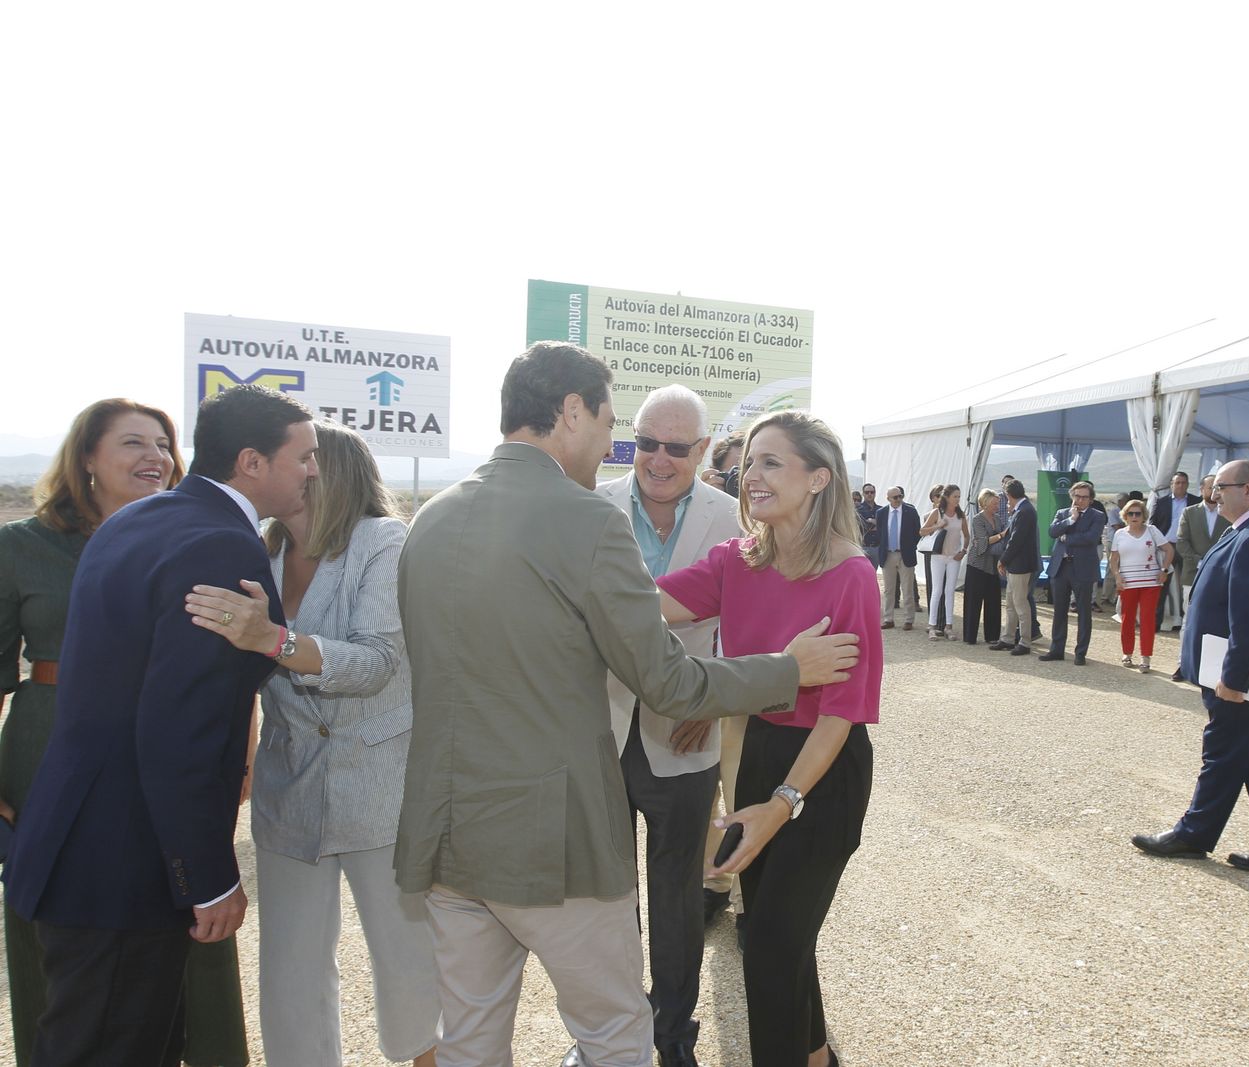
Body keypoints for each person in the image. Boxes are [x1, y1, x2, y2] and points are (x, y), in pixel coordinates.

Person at [390, 341, 857, 1067]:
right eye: (613, 423)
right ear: (570, 412)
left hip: (449, 834)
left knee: (473, 1041)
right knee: (615, 1035)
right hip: (556, 841)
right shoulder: (588, 520)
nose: (616, 444)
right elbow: (669, 681)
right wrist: (787, 669)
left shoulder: (432, 519)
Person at [5, 385, 319, 1065]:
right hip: (125, 860)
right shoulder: (218, 545)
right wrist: (206, 875)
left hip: (77, 842)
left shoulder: (135, 522)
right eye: (305, 455)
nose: (314, 470)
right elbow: (182, 725)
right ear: (251, 461)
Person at [183, 420, 441, 1066]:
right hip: (287, 788)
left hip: (380, 787)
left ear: (329, 471)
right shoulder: (257, 549)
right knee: (289, 973)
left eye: (301, 460)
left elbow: (379, 662)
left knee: (407, 958)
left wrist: (275, 640)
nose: (286, 470)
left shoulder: (383, 541)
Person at [657, 409, 880, 1067]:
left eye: (771, 462)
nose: (749, 474)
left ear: (818, 478)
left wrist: (782, 801)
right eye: (748, 461)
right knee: (782, 935)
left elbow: (841, 715)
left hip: (822, 772)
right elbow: (645, 606)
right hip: (758, 755)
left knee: (773, 947)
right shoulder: (735, 560)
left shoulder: (852, 576)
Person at [595, 384, 741, 1067]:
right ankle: (614, 1035)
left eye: (675, 447)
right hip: (597, 733)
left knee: (678, 902)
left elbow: (748, 626)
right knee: (605, 897)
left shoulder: (734, 518)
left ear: (703, 451)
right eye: (645, 442)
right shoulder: (589, 507)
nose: (657, 458)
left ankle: (672, 1038)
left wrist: (709, 697)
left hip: (687, 735)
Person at [1132, 459, 1249, 874]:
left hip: (1243, 674)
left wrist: (1235, 678)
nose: (1213, 494)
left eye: (1222, 487)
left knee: (1224, 752)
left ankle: (1194, 834)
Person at [1172, 475, 1230, 680]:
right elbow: (1181, 542)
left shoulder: (1229, 513)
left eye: (1218, 487)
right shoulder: (1189, 512)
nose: (1214, 491)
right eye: (1210, 487)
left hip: (1222, 576)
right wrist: (1200, 561)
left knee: (1218, 621)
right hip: (1192, 575)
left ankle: (1214, 668)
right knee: (1189, 620)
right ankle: (1184, 664)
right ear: (1202, 489)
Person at [1041, 480, 1106, 665]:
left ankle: (1080, 653)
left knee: (1084, 612)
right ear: (1072, 496)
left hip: (1083, 569)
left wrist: (1067, 537)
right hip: (1061, 568)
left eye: (1085, 497)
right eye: (1077, 496)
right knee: (1059, 611)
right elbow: (1052, 532)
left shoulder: (1097, 516)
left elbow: (1091, 538)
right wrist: (1071, 520)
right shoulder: (1063, 513)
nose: (1080, 500)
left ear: (1091, 499)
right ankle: (1057, 649)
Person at [1108, 498, 1171, 673]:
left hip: (1151, 582)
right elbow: (1114, 559)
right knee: (1127, 618)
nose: (1134, 517)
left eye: (1138, 513)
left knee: (1147, 619)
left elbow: (1169, 550)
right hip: (1128, 582)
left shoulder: (1152, 531)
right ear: (1125, 516)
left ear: (1144, 515)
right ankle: (1127, 653)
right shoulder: (1120, 534)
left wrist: (1164, 570)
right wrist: (1117, 576)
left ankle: (1146, 657)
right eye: (1131, 513)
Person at [1151, 472, 1200, 631]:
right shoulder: (1161, 502)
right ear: (1171, 484)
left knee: (1188, 585)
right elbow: (1154, 524)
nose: (1180, 485)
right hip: (1167, 546)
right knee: (1162, 584)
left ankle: (1185, 621)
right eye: (1177, 482)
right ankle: (1156, 623)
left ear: (1187, 484)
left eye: (1183, 482)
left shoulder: (1196, 502)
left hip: (1188, 548)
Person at [994, 478, 1038, 655]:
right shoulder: (1022, 509)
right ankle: (1008, 638)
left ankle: (1025, 641)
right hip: (1015, 564)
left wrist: (1003, 559)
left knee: (1020, 604)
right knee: (1011, 603)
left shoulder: (1024, 511)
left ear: (1008, 495)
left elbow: (1016, 540)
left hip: (1020, 565)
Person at [920, 484, 968, 639]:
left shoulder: (960, 515)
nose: (958, 499)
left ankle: (948, 626)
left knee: (949, 591)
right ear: (947, 497)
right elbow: (922, 531)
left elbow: (966, 536)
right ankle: (932, 625)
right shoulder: (937, 512)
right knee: (937, 590)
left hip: (954, 557)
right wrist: (937, 526)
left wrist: (963, 551)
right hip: (938, 556)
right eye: (955, 496)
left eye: (959, 496)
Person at [962, 489, 1006, 645]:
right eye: (994, 503)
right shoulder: (977, 519)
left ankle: (992, 636)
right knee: (973, 601)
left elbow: (991, 542)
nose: (997, 505)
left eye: (998, 503)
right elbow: (981, 543)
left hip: (993, 565)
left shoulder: (998, 519)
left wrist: (994, 539)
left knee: (993, 601)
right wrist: (1000, 536)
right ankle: (969, 636)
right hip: (977, 565)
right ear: (985, 503)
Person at [875, 486, 919, 631]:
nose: (899, 499)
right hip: (888, 554)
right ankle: (888, 619)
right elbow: (880, 533)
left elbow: (917, 532)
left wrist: (910, 546)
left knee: (907, 589)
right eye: (895, 497)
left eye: (900, 496)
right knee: (888, 590)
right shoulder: (881, 513)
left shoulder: (910, 511)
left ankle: (908, 620)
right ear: (888, 498)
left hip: (905, 554)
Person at [919, 483, 945, 630]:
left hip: (945, 552)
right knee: (933, 586)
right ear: (933, 498)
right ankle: (934, 620)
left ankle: (941, 621)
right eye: (937, 495)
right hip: (931, 552)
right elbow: (924, 533)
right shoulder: (928, 515)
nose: (940, 497)